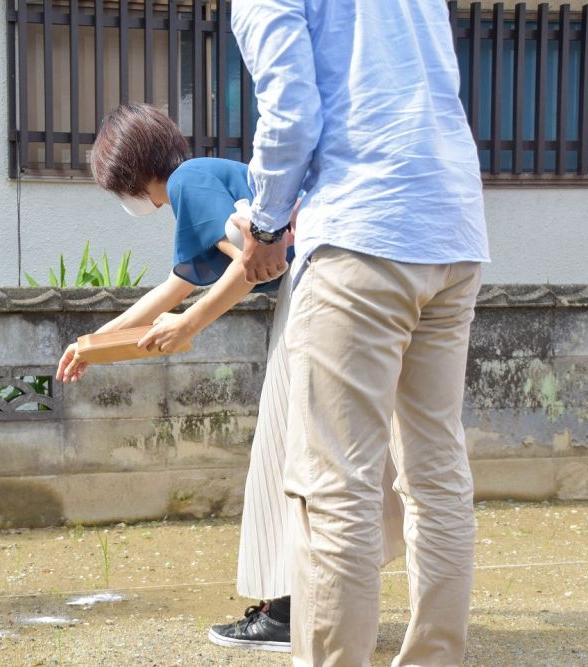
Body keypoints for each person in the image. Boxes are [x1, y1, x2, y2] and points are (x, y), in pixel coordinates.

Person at [55, 103, 405, 653]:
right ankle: (308, 606)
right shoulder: (201, 181)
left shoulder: (189, 181)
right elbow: (165, 294)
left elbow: (255, 261)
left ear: (129, 175)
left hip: (312, 295)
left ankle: (288, 613)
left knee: (288, 455)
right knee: (333, 451)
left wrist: (189, 324)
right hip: (342, 285)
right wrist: (89, 346)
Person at [230, 1, 491, 665]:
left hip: (361, 230)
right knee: (435, 475)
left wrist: (264, 226)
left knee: (335, 484)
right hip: (452, 229)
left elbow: (292, 112)